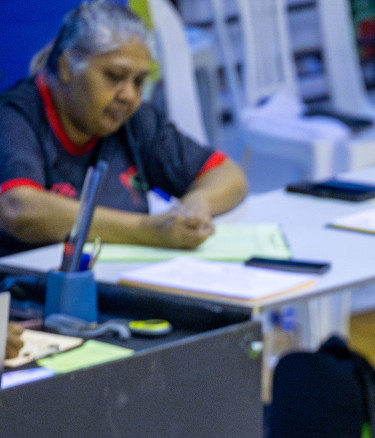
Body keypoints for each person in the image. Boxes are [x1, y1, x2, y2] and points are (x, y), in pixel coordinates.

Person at [0, 1, 247, 258]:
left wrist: (196, 206)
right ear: (66, 67)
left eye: (139, 81)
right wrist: (148, 231)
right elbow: (19, 209)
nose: (129, 95)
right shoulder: (13, 117)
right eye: (114, 76)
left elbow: (227, 174)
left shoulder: (132, 119)